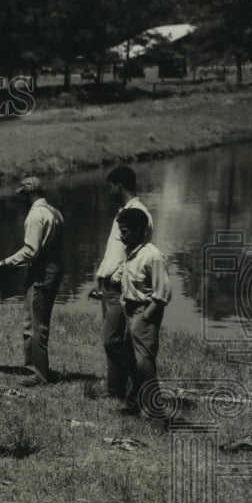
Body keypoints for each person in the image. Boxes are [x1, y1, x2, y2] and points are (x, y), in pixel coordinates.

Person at [0, 176, 63, 387]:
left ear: (29, 192)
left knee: (38, 322)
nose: (22, 198)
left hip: (42, 271)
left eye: (23, 194)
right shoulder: (54, 211)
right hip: (53, 268)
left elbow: (31, 250)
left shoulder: (35, 215)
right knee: (32, 319)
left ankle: (40, 374)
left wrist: (2, 264)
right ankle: (33, 366)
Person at [94, 165, 155, 399]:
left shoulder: (135, 213)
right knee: (114, 338)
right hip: (111, 282)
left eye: (110, 185)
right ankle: (115, 388)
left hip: (120, 284)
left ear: (118, 184)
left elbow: (129, 254)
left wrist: (111, 277)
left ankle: (133, 384)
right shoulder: (130, 210)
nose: (108, 190)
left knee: (113, 340)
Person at [116, 207, 171, 419]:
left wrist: (147, 315)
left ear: (140, 230)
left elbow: (163, 292)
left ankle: (156, 411)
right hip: (130, 310)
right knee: (130, 359)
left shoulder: (153, 256)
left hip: (145, 311)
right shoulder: (130, 251)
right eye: (120, 231)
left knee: (144, 363)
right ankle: (133, 402)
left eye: (126, 231)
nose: (122, 236)